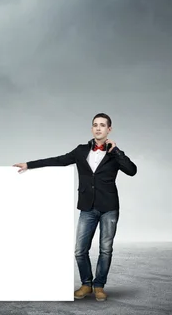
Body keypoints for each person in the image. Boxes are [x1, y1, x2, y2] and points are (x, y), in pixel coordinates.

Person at [12, 113, 137, 302]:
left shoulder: (114, 154)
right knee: (80, 250)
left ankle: (99, 286)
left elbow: (132, 170)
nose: (98, 128)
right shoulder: (81, 150)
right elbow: (59, 160)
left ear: (109, 129)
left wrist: (117, 151)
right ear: (92, 128)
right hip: (87, 207)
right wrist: (30, 164)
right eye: (95, 125)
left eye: (102, 125)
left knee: (106, 249)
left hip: (109, 207)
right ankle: (86, 284)